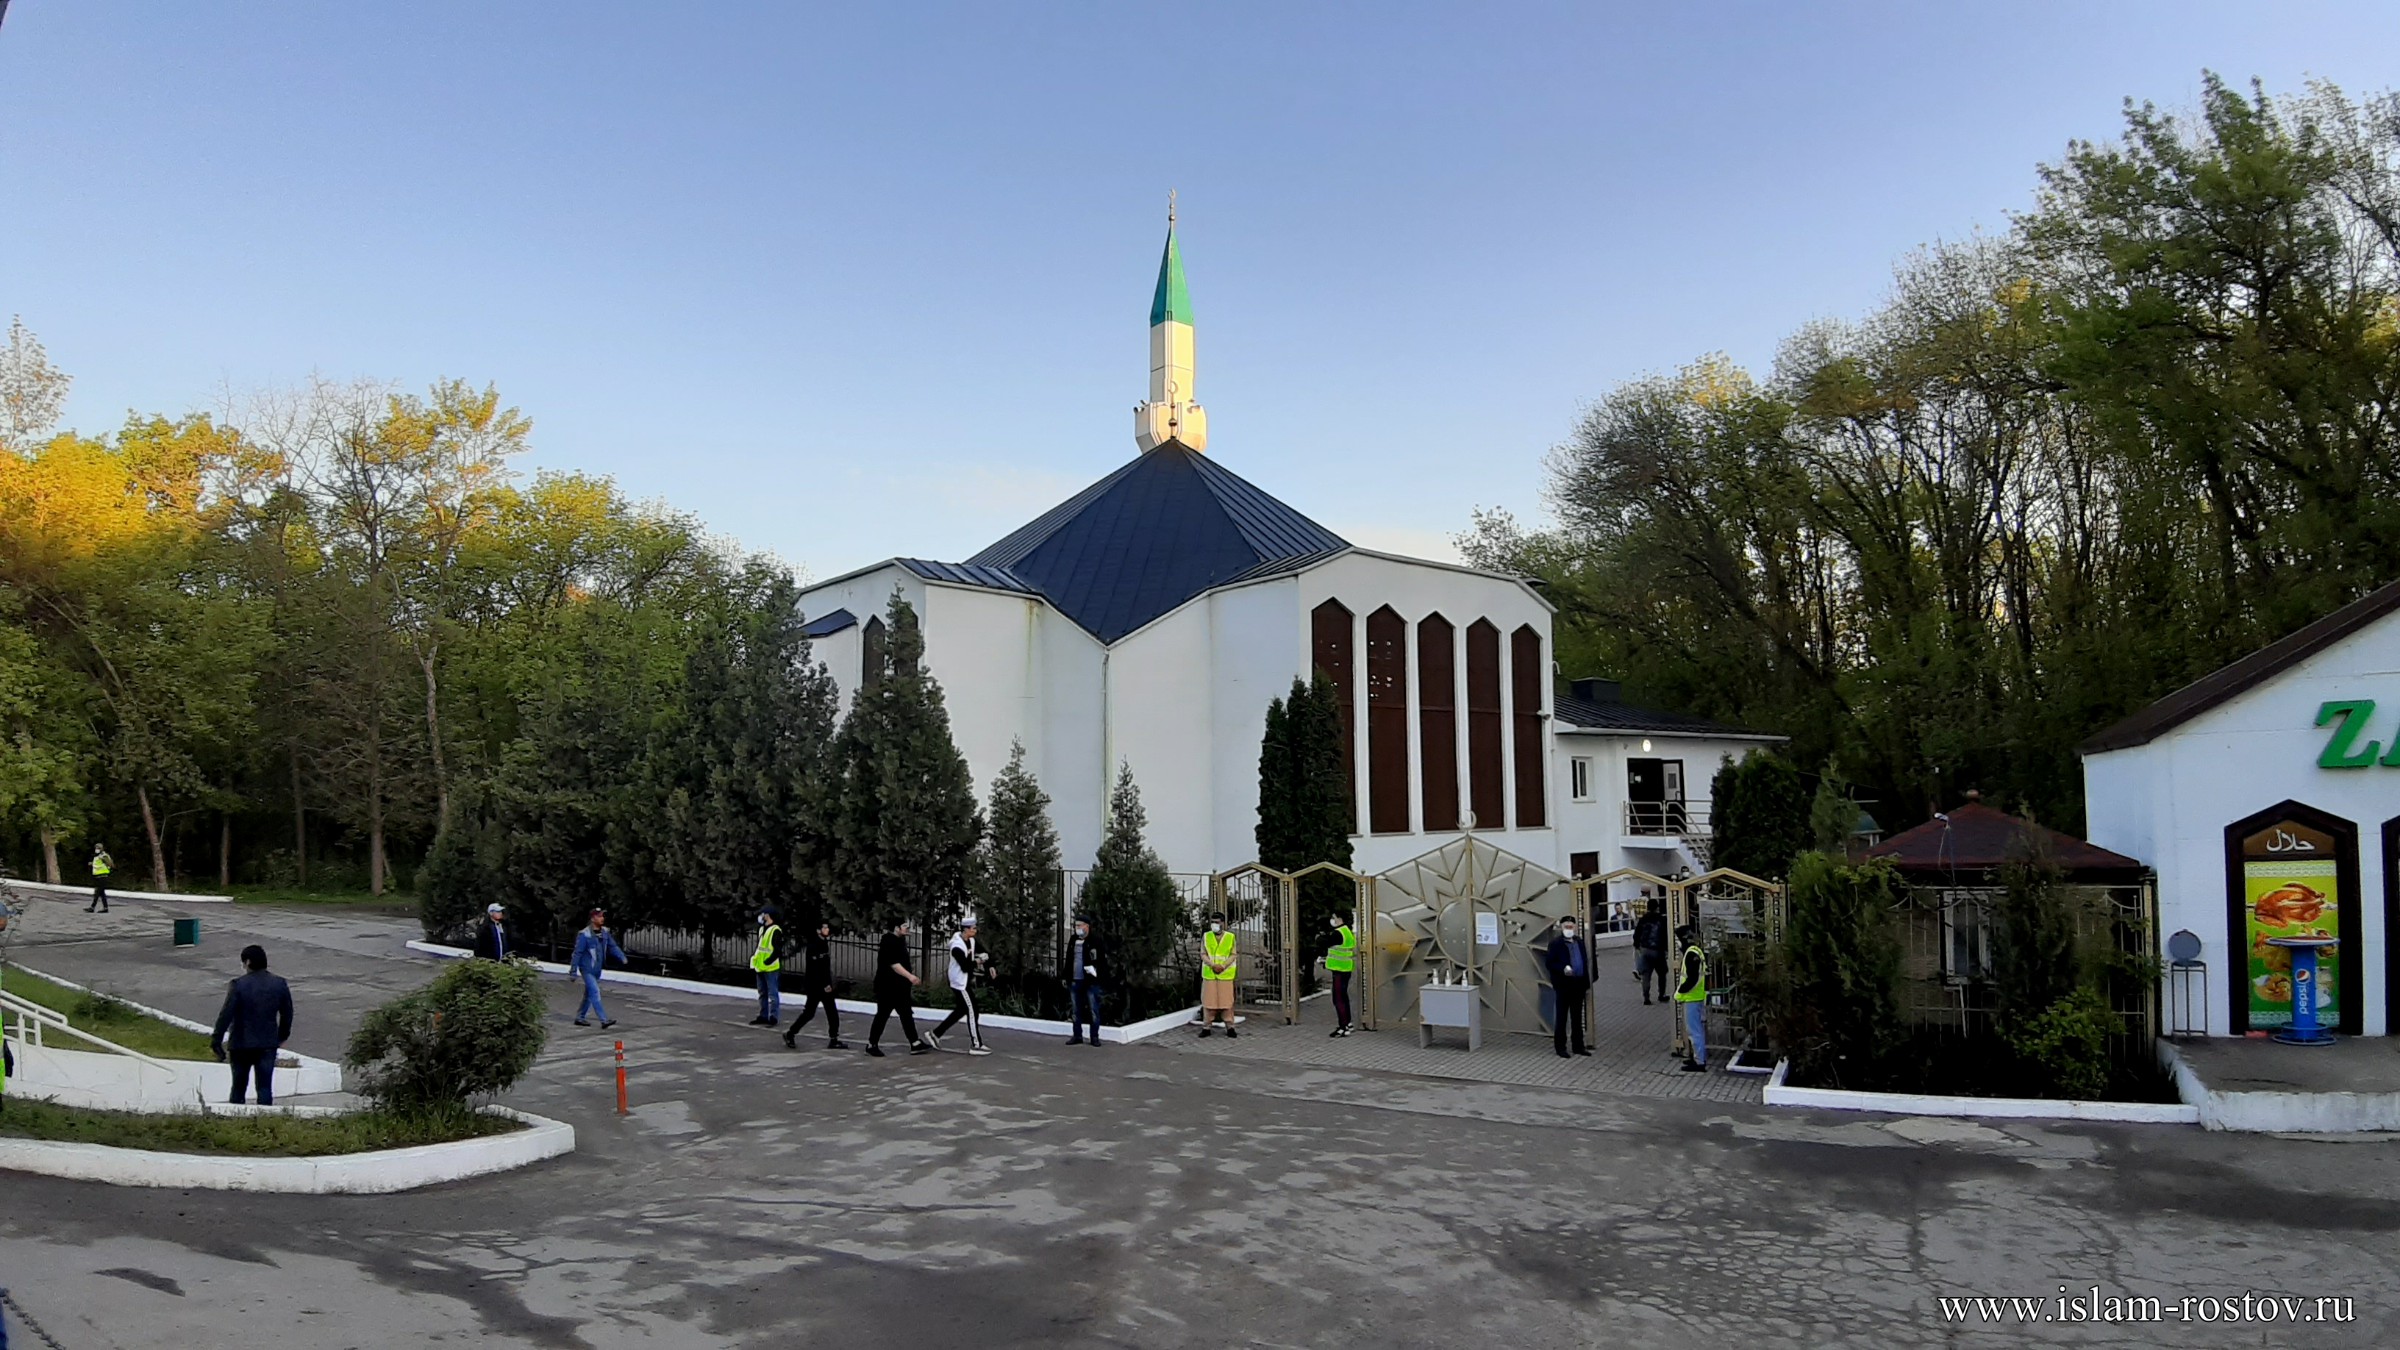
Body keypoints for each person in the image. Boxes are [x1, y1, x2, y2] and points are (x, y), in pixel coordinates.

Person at [209, 944, 294, 1105]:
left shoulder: (238, 985)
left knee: (238, 1087)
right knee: (264, 1087)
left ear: (247, 962)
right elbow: (287, 1013)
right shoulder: (279, 984)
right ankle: (265, 1118)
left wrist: (216, 1040)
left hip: (240, 1044)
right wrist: (282, 1036)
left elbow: (226, 1014)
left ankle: (236, 1117)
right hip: (267, 1043)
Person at [930, 917, 992, 1054]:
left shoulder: (972, 941)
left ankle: (935, 1034)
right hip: (959, 983)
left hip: (965, 981)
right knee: (972, 1010)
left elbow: (984, 953)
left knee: (961, 1010)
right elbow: (965, 966)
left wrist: (990, 965)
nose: (975, 930)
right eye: (973, 928)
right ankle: (976, 1045)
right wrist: (978, 961)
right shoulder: (956, 946)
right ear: (966, 929)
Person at [782, 919, 847, 1050]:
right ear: (818, 931)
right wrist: (825, 984)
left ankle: (834, 1039)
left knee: (832, 1012)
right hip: (815, 986)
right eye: (824, 928)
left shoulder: (824, 943)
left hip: (824, 985)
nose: (827, 930)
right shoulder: (814, 946)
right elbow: (816, 969)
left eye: (827, 928)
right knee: (809, 1013)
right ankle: (790, 1033)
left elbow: (825, 967)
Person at [867, 918, 928, 1057]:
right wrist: (910, 977)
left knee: (906, 1014)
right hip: (887, 986)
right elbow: (894, 964)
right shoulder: (889, 941)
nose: (907, 928)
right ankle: (871, 1044)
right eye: (904, 926)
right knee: (883, 1015)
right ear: (896, 928)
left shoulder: (900, 940)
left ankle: (915, 1043)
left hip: (900, 986)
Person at [568, 909, 627, 1028]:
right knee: (595, 992)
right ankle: (604, 1020)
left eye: (602, 916)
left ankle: (580, 1017)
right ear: (592, 919)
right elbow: (577, 953)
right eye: (599, 916)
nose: (602, 918)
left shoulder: (604, 932)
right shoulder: (585, 934)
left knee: (589, 994)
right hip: (587, 969)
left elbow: (612, 946)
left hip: (597, 969)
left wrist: (622, 956)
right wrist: (573, 971)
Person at [1546, 917, 1593, 1058]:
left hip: (1578, 984)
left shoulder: (1579, 942)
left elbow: (1584, 962)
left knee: (1577, 1017)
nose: (1568, 929)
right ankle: (1560, 1047)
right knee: (1562, 1018)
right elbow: (1550, 963)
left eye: (1571, 926)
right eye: (1566, 927)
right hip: (1563, 985)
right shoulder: (1556, 944)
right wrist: (1563, 968)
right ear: (1561, 927)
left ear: (1575, 927)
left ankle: (1578, 1046)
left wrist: (1586, 982)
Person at [1062, 916, 1104, 1046]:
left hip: (1090, 982)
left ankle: (1094, 1037)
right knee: (1075, 1010)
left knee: (1093, 1010)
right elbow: (1069, 959)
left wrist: (1095, 973)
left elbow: (1101, 961)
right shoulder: (1073, 940)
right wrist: (1065, 976)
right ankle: (1077, 1035)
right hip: (1075, 980)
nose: (1077, 928)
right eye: (1076, 925)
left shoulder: (1095, 940)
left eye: (1080, 925)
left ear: (1087, 926)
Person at [1676, 925, 1709, 1073]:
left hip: (1692, 998)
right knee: (1695, 1029)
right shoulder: (1696, 950)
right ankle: (1697, 1057)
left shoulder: (1691, 954)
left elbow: (1692, 978)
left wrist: (1680, 991)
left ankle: (1699, 1061)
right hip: (1696, 996)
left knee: (1694, 1030)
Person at [1198, 915, 1238, 1038]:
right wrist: (1212, 965)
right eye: (1212, 922)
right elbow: (1203, 953)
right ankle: (1206, 1027)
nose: (1214, 924)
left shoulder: (1230, 937)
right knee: (1208, 1002)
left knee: (1227, 1003)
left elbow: (1233, 954)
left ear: (1223, 923)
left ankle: (1230, 1027)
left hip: (1225, 975)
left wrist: (1223, 966)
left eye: (1217, 922)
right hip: (1210, 974)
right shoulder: (1206, 936)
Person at [749, 908, 786, 1027]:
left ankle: (773, 1017)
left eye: (763, 914)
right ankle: (763, 1016)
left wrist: (768, 961)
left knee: (772, 994)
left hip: (770, 968)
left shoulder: (775, 930)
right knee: (762, 993)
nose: (761, 916)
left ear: (768, 916)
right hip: (760, 966)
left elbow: (777, 950)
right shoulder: (762, 929)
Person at [1325, 913, 1358, 1037]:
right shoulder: (1347, 931)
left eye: (1334, 918)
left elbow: (1325, 942)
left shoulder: (1338, 933)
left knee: (1338, 999)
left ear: (1340, 919)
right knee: (1343, 997)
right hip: (1346, 968)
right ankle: (1348, 1023)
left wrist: (1320, 937)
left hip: (1339, 970)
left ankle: (1343, 1027)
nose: (1332, 920)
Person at [1632, 899, 1669, 1005]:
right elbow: (1665, 935)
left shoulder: (1643, 919)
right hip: (1658, 950)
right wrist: (1666, 950)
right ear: (1657, 907)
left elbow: (1636, 934)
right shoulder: (1661, 919)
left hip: (1645, 950)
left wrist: (1637, 946)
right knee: (1662, 973)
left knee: (1646, 975)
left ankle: (1646, 998)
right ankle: (1661, 994)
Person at [86, 844, 112, 913]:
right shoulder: (97, 857)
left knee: (97, 892)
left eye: (98, 848)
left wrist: (103, 859)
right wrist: (92, 863)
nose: (96, 849)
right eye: (96, 848)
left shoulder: (104, 855)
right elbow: (98, 864)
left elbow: (110, 864)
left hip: (103, 876)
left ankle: (92, 907)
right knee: (101, 893)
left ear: (101, 849)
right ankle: (105, 908)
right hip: (98, 876)